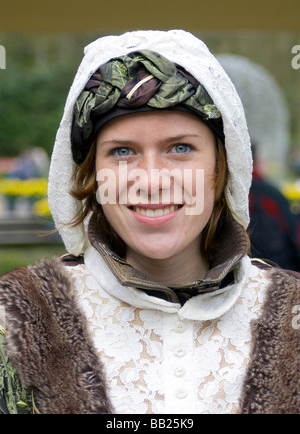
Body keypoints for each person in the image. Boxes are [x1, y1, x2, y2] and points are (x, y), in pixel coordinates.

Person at [0, 30, 299, 415]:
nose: (152, 180)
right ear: (91, 174)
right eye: (122, 151)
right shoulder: (17, 318)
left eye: (180, 148)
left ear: (222, 168)